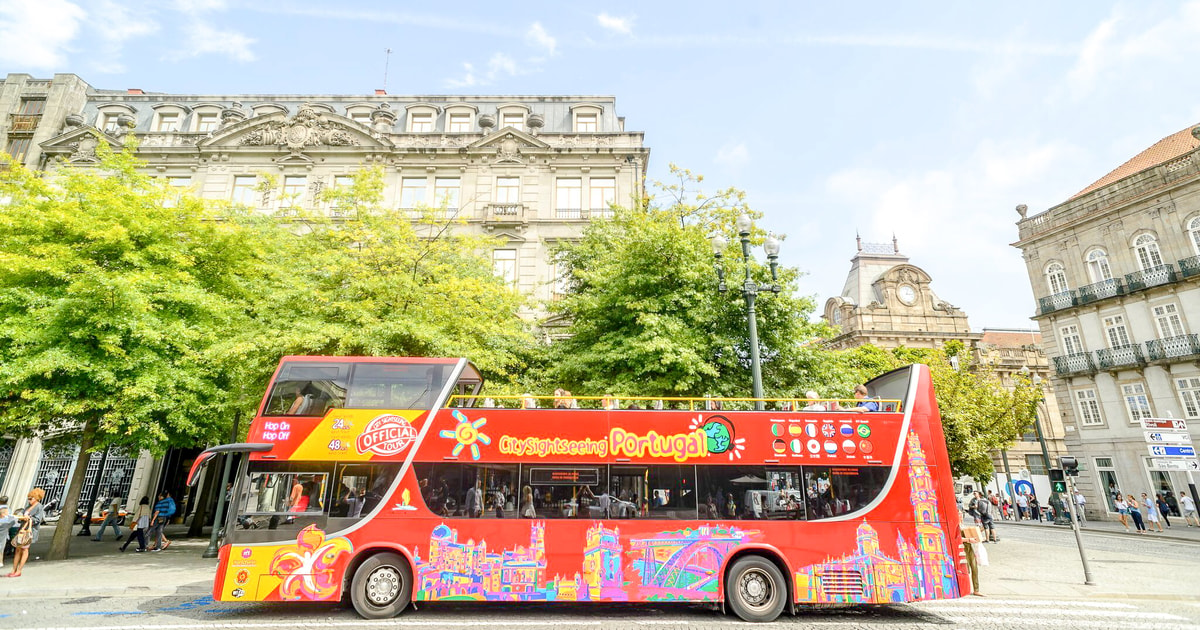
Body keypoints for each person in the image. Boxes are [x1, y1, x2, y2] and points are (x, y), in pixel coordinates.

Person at [8, 488, 46, 577]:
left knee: (24, 549)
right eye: (28, 498)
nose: (29, 500)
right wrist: (20, 516)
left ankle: (19, 570)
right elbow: (22, 512)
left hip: (29, 530)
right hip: (22, 529)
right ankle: (14, 569)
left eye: (31, 498)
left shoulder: (39, 507)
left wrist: (28, 518)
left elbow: (37, 519)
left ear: (37, 498)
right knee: (18, 549)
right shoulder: (28, 506)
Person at [960, 522, 985, 596]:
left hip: (969, 548)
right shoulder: (956, 525)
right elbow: (957, 538)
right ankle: (964, 588)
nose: (961, 516)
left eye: (961, 515)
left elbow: (973, 533)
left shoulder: (963, 525)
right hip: (962, 548)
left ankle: (976, 590)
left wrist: (982, 530)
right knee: (966, 570)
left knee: (974, 568)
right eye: (959, 515)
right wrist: (968, 539)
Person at [0, 497, 15, 570]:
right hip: (4, 529)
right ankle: (0, 562)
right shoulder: (8, 509)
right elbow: (12, 521)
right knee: (1, 546)